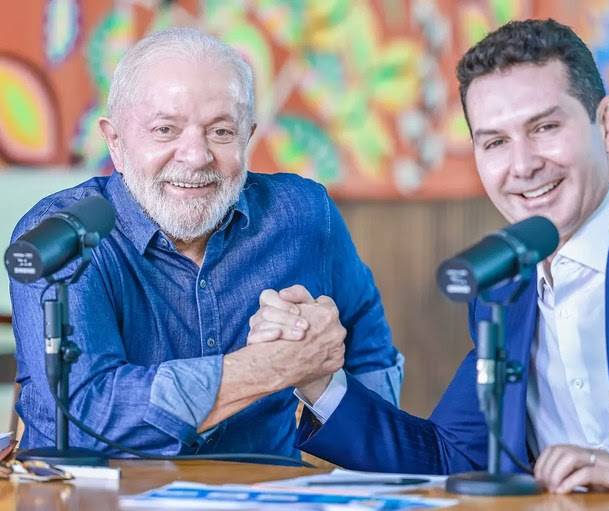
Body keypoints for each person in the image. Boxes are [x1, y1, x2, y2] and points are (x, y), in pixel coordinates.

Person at [254, 19, 609, 501]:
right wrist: (318, 380)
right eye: (496, 141)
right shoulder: (502, 281)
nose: (522, 165)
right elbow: (452, 458)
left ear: (606, 124)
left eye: (545, 128)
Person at [9, 27, 403, 460]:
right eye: (165, 130)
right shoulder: (62, 234)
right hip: (98, 491)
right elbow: (87, 416)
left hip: (265, 489)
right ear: (115, 142)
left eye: (221, 132)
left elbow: (368, 351)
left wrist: (354, 435)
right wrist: (272, 366)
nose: (196, 157)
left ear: (247, 138)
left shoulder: (303, 214)